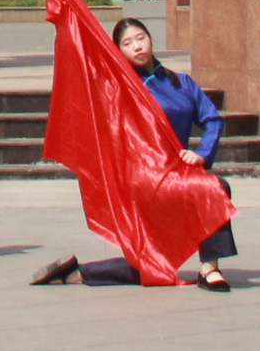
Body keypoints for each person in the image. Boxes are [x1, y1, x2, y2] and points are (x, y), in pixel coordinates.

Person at [34, 15, 238, 290]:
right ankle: (209, 268)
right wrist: (68, 16)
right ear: (118, 52)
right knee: (213, 187)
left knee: (157, 262)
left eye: (141, 38)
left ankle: (77, 272)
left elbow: (212, 120)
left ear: (151, 39)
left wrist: (202, 153)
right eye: (128, 43)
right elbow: (82, 64)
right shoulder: (117, 89)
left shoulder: (182, 83)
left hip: (176, 172)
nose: (137, 46)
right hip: (140, 178)